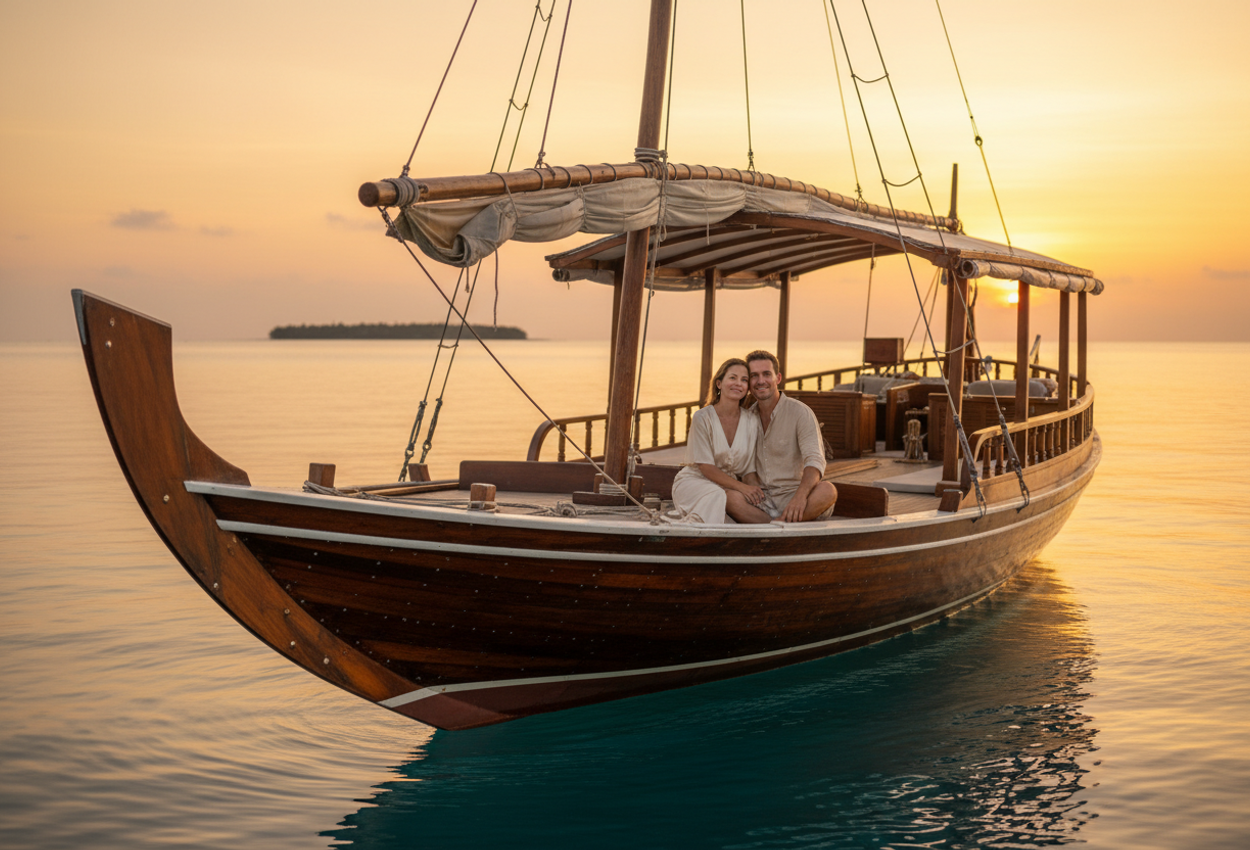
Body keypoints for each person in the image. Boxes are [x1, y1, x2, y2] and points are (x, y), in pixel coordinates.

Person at [740, 349, 837, 522]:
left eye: (766, 374)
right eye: (754, 376)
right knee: (729, 497)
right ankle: (780, 525)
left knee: (828, 491)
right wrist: (751, 487)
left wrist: (800, 497)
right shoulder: (746, 419)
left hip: (797, 497)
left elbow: (815, 461)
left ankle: (774, 525)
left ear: (778, 378)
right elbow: (743, 465)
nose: (760, 381)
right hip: (762, 501)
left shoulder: (800, 413)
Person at [670, 358, 770, 524]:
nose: (738, 383)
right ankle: (778, 526)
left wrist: (757, 493)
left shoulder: (751, 421)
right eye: (732, 377)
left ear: (747, 388)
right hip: (696, 482)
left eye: (744, 380)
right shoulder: (702, 417)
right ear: (719, 383)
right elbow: (706, 467)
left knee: (750, 501)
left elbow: (749, 470)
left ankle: (778, 526)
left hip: (729, 486)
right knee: (719, 496)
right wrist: (742, 488)